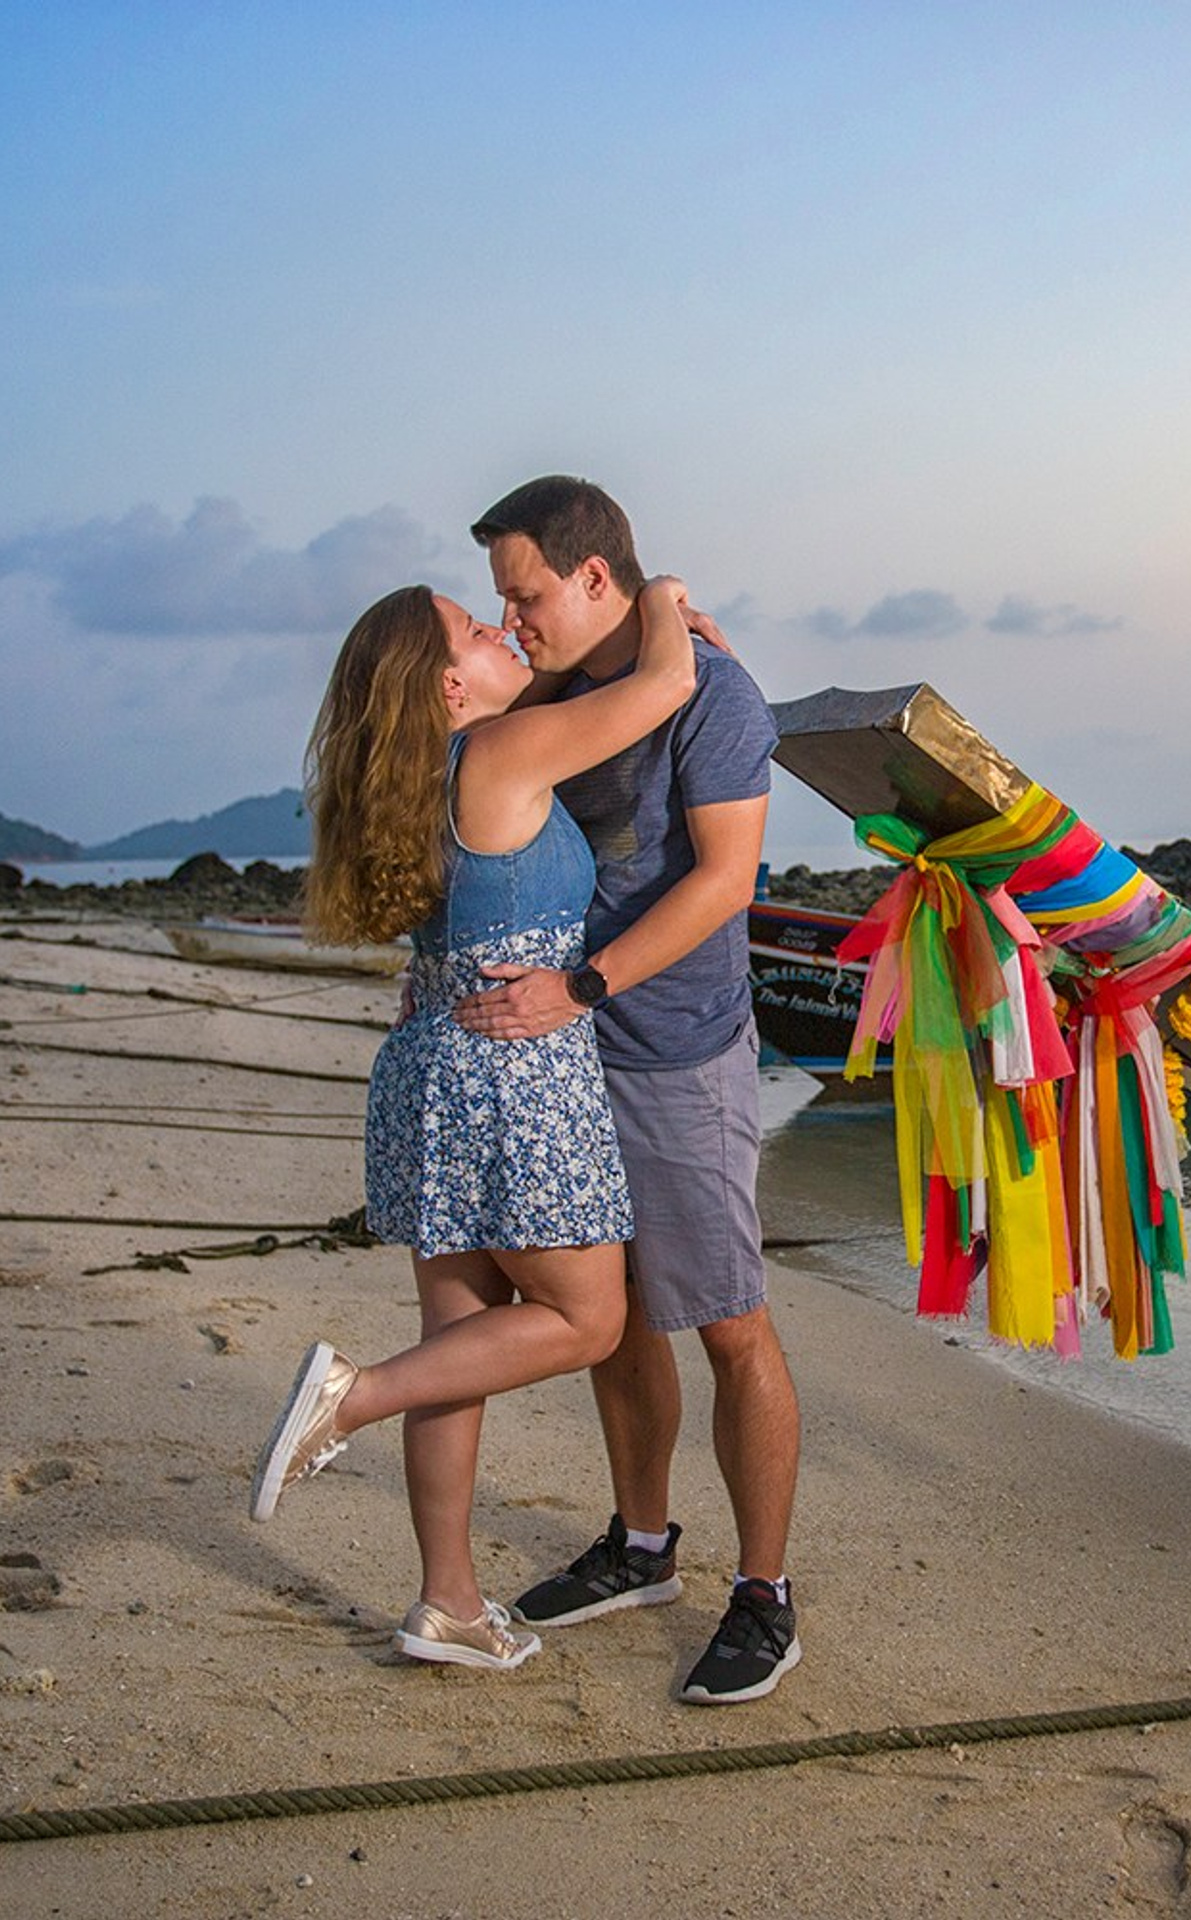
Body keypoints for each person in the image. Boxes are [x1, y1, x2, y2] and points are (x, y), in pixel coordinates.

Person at [250, 574, 697, 1674]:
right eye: (477, 627)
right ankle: (353, 1396)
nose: (505, 630)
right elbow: (670, 681)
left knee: (460, 1350)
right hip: (518, 1075)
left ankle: (446, 1602)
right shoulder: (507, 754)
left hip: (433, 1069)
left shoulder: (429, 776)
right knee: (588, 1322)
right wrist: (667, 599)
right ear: (451, 685)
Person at [454, 475, 802, 1706]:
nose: (514, 617)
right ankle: (643, 1545)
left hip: (677, 1050)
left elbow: (723, 881)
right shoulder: (568, 685)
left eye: (528, 591)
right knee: (616, 1315)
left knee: (727, 1321)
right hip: (572, 1052)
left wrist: (580, 987)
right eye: (504, 597)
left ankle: (765, 1595)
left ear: (594, 576)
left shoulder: (711, 693)